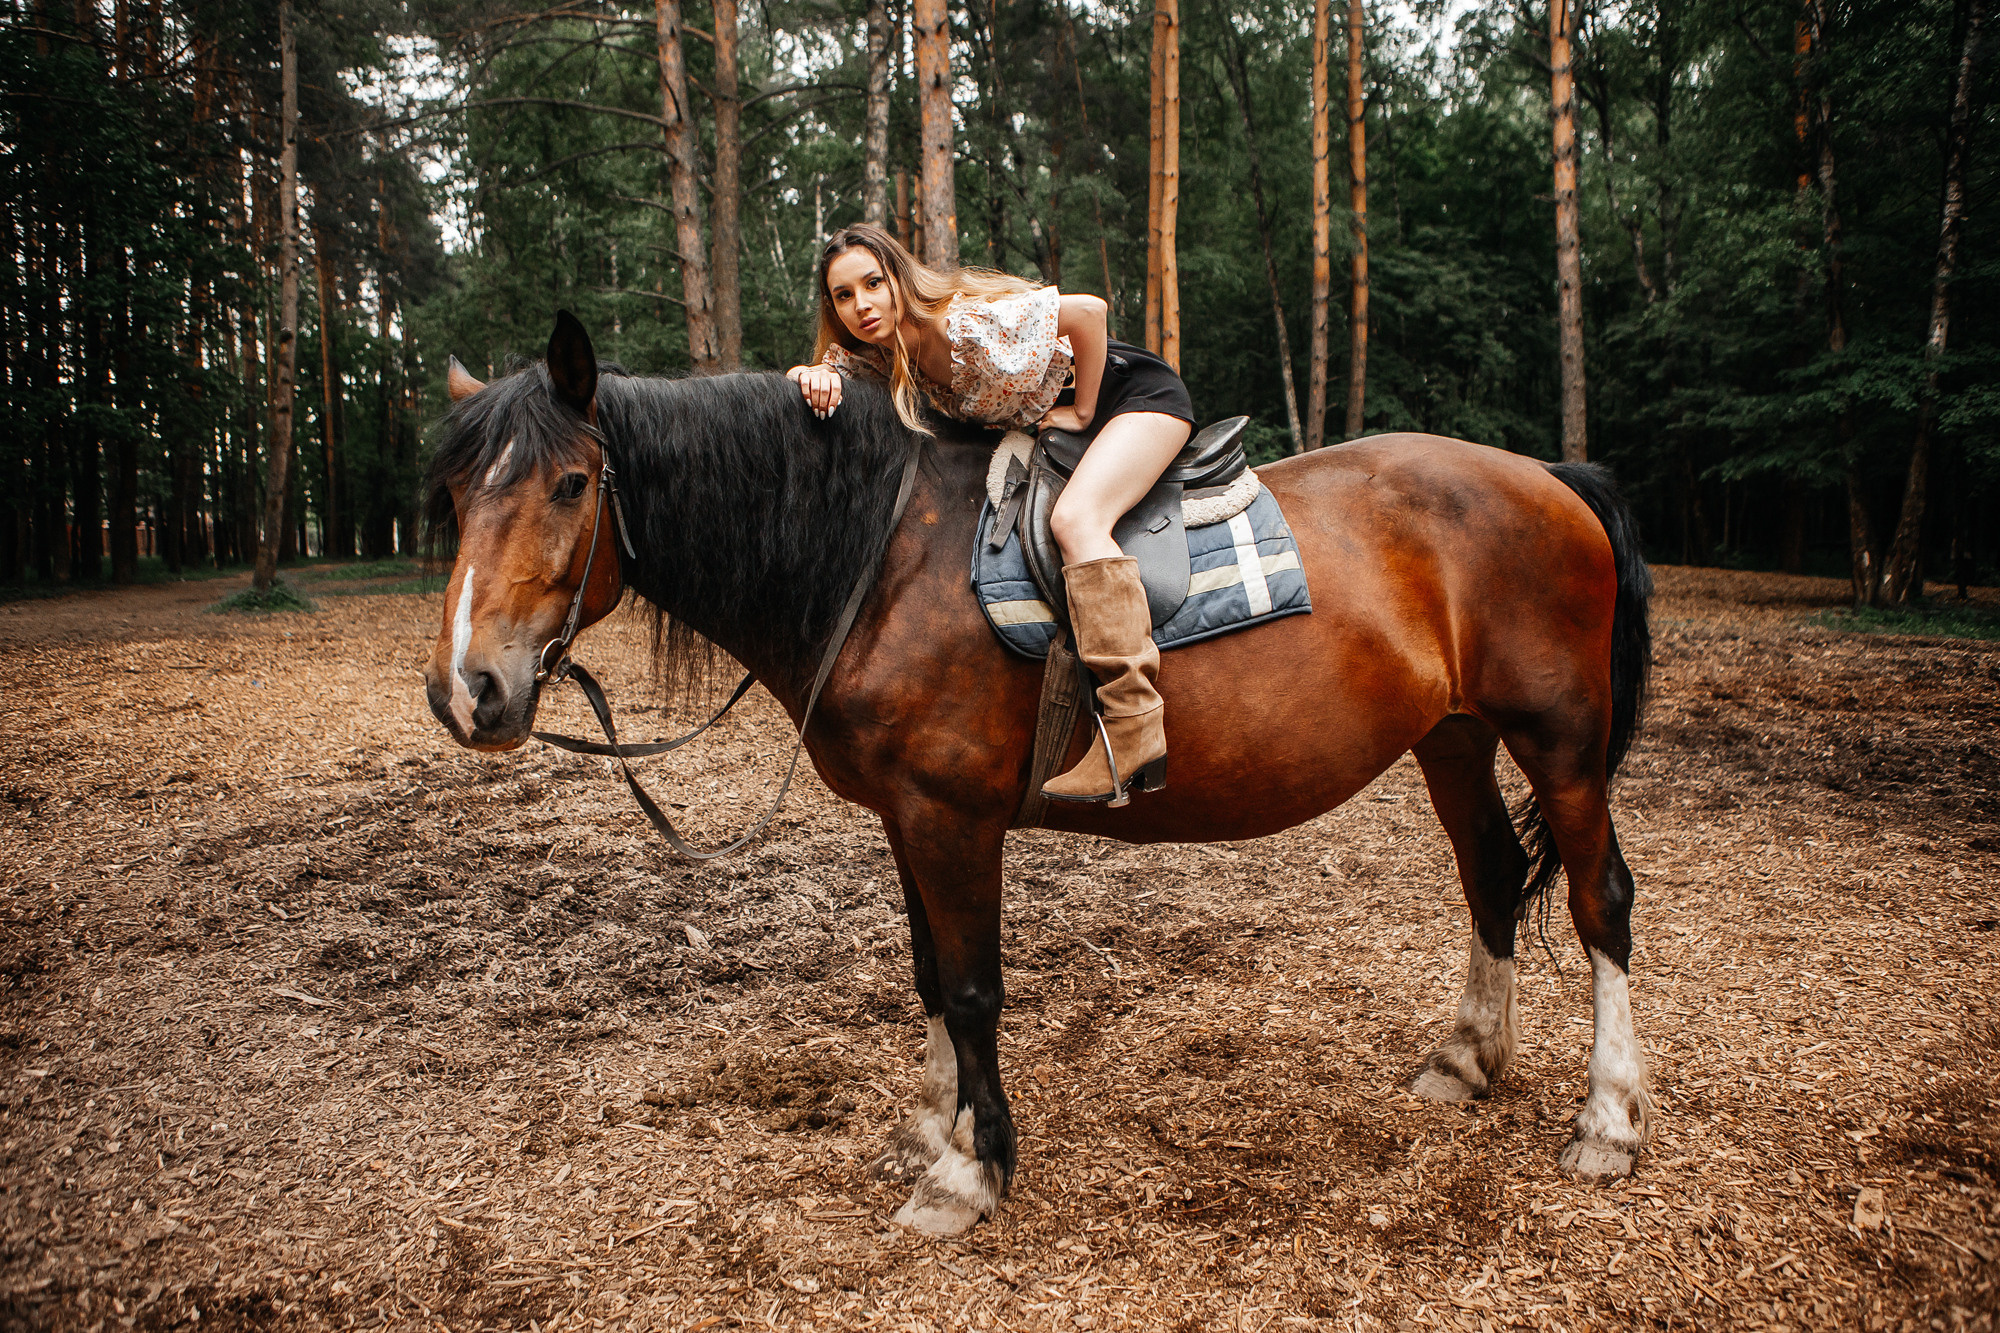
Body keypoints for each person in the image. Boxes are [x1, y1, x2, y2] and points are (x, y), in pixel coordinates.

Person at [787, 225, 1193, 805]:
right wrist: (810, 374)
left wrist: (1083, 410)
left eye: (873, 283)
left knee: (1078, 521)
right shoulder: (878, 353)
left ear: (897, 278)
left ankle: (1134, 722)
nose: (861, 305)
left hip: (1129, 398)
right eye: (843, 295)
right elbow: (825, 376)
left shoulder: (958, 327)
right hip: (1054, 417)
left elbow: (1088, 313)